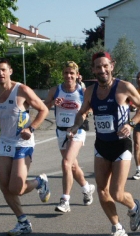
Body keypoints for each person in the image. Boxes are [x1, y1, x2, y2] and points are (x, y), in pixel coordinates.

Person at [67, 51, 140, 236]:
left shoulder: (124, 87)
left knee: (117, 193)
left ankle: (133, 206)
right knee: (103, 191)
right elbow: (82, 113)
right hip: (102, 145)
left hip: (121, 144)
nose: (102, 70)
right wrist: (76, 125)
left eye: (105, 66)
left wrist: (131, 123)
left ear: (112, 66)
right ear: (93, 70)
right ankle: (117, 228)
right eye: (98, 67)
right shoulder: (90, 92)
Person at [0, 57, 51, 236]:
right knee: (4, 185)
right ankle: (23, 221)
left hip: (23, 143)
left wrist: (32, 127)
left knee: (16, 188)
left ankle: (39, 182)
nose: (0, 73)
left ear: (10, 71)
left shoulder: (22, 90)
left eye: (4, 70)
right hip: (4, 142)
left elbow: (43, 109)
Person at [44, 61, 95, 213]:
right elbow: (43, 107)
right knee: (72, 166)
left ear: (77, 75)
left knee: (66, 163)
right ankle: (87, 188)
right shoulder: (55, 90)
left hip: (77, 131)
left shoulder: (82, 91)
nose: (69, 76)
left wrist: (80, 120)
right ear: (63, 74)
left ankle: (65, 200)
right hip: (61, 131)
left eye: (72, 73)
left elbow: (90, 110)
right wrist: (53, 102)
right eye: (66, 72)